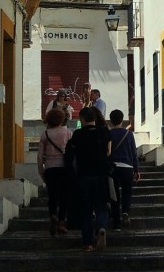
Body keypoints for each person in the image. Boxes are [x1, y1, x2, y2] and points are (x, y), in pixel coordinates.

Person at [65, 106, 111, 251]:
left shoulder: (77, 135)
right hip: (101, 175)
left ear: (82, 119)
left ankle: (88, 243)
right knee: (102, 206)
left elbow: (69, 156)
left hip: (84, 176)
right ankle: (101, 228)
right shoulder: (103, 132)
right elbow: (109, 152)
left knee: (86, 210)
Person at [36, 107, 72, 236]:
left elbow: (40, 157)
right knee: (64, 196)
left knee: (52, 195)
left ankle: (52, 215)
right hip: (64, 168)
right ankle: (62, 221)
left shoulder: (45, 134)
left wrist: (42, 172)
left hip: (51, 169)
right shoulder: (68, 132)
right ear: (61, 119)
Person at [107, 109, 139, 229]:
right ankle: (125, 211)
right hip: (127, 167)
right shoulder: (129, 134)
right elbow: (134, 153)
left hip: (113, 168)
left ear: (110, 120)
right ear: (122, 120)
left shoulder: (109, 134)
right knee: (127, 191)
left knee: (114, 196)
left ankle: (116, 224)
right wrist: (136, 169)